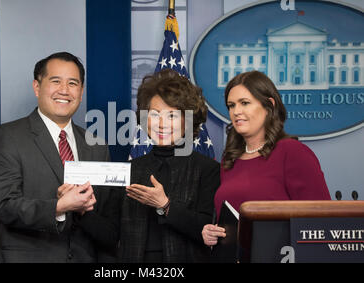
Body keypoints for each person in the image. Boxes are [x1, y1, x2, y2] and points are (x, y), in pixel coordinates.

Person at [0, 52, 119, 262]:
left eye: (73, 83)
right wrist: (59, 207)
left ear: (81, 92)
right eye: (55, 81)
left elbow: (107, 219)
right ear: (37, 87)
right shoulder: (8, 136)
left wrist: (84, 210)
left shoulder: (97, 146)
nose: (64, 90)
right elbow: (6, 206)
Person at [202, 70, 331, 248]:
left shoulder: (292, 152)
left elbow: (321, 222)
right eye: (231, 105)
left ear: (269, 106)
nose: (236, 111)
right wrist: (212, 233)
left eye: (245, 103)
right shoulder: (229, 160)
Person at [118, 69, 221, 263]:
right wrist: (83, 211)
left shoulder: (207, 169)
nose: (162, 124)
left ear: (188, 121)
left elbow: (208, 229)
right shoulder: (130, 169)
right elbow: (111, 234)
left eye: (172, 116)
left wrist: (166, 205)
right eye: (155, 115)